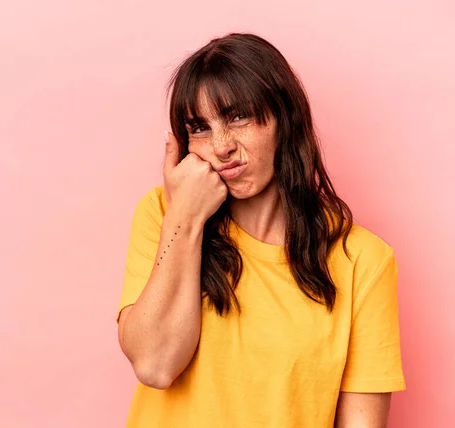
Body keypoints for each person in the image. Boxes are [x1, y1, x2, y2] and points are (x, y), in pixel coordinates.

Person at [115, 33, 405, 428]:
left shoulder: (362, 261)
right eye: (199, 128)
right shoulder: (164, 215)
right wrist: (186, 217)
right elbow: (155, 365)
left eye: (238, 117)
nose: (221, 146)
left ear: (284, 118)